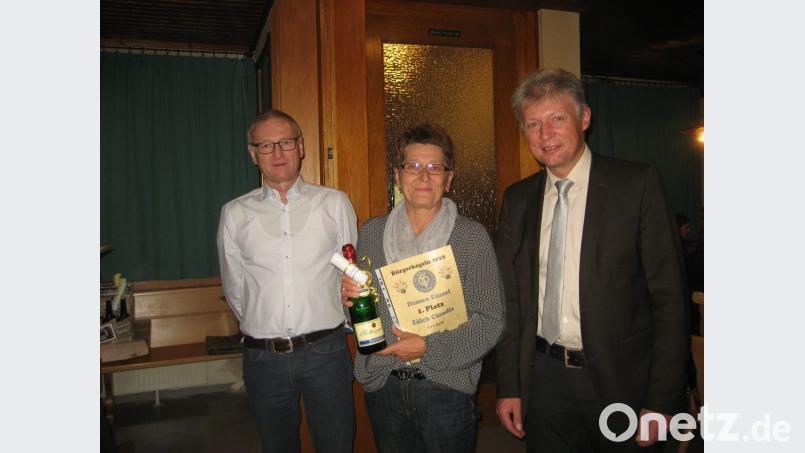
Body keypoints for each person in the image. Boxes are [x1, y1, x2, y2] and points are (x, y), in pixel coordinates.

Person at [494, 69, 689, 452]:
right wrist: (510, 386)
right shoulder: (518, 200)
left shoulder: (636, 185)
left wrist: (663, 400)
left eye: (557, 119)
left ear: (584, 118)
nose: (545, 135)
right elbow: (511, 302)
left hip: (623, 381)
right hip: (543, 380)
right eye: (533, 124)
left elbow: (670, 299)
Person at [341, 123, 505, 453]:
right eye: (413, 167)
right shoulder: (372, 232)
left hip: (445, 385)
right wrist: (350, 298)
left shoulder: (471, 238)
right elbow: (364, 311)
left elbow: (491, 321)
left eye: (435, 168)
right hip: (384, 384)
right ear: (398, 176)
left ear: (449, 178)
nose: (424, 176)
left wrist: (428, 348)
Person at [217, 109, 357, 453]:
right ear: (253, 154)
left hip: (327, 351)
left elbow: (351, 276)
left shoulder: (334, 203)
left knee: (338, 444)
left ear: (301, 147)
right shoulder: (234, 213)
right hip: (264, 359)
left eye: (286, 142)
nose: (277, 153)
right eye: (266, 145)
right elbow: (235, 288)